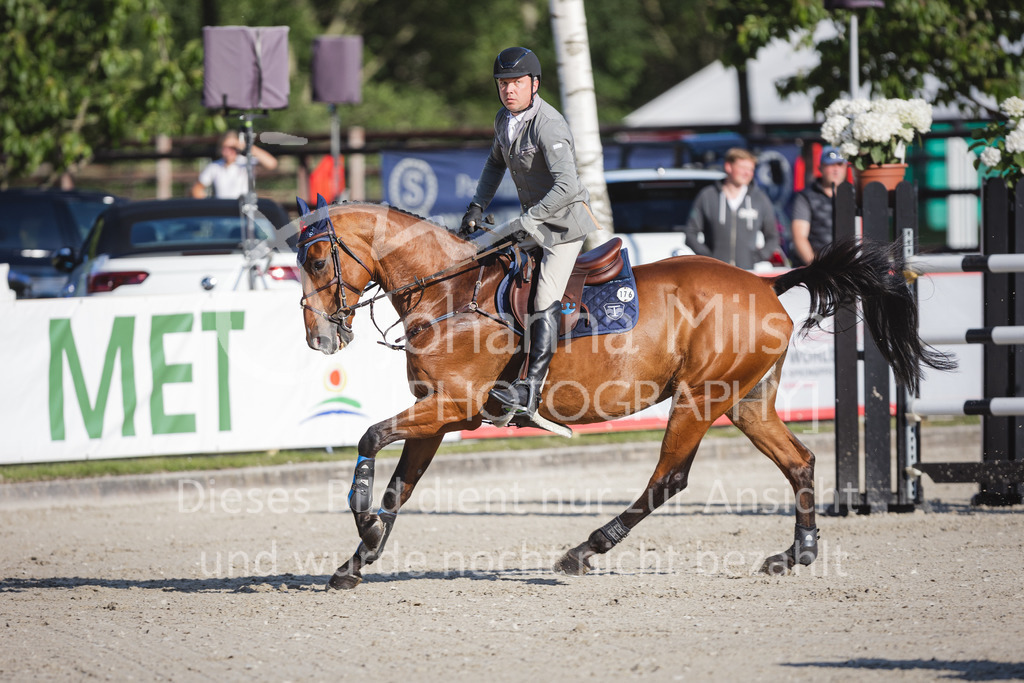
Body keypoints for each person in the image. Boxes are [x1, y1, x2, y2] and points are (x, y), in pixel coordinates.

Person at [459, 46, 601, 422]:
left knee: (543, 297)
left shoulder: (548, 124)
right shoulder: (503, 119)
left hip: (565, 226)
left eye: (517, 83)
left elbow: (568, 186)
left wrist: (530, 220)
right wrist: (477, 205)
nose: (509, 90)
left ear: (534, 84)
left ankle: (531, 389)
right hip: (535, 222)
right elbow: (493, 164)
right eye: (503, 83)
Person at [683, 148, 780, 270]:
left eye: (751, 169)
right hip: (715, 274)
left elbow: (772, 236)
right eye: (743, 168)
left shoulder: (760, 199)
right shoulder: (707, 196)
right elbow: (690, 233)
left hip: (746, 274)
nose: (747, 173)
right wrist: (708, 258)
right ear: (728, 167)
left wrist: (756, 257)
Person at [790, 146, 850, 266]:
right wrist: (816, 267)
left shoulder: (853, 195)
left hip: (847, 266)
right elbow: (799, 237)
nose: (836, 170)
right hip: (815, 268)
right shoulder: (805, 196)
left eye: (840, 165)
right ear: (820, 168)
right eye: (831, 165)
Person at [191, 131, 278, 199]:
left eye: (232, 148)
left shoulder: (245, 162)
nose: (228, 152)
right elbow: (197, 189)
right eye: (225, 148)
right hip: (223, 211)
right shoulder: (215, 166)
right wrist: (210, 207)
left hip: (244, 209)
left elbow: (272, 164)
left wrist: (247, 147)